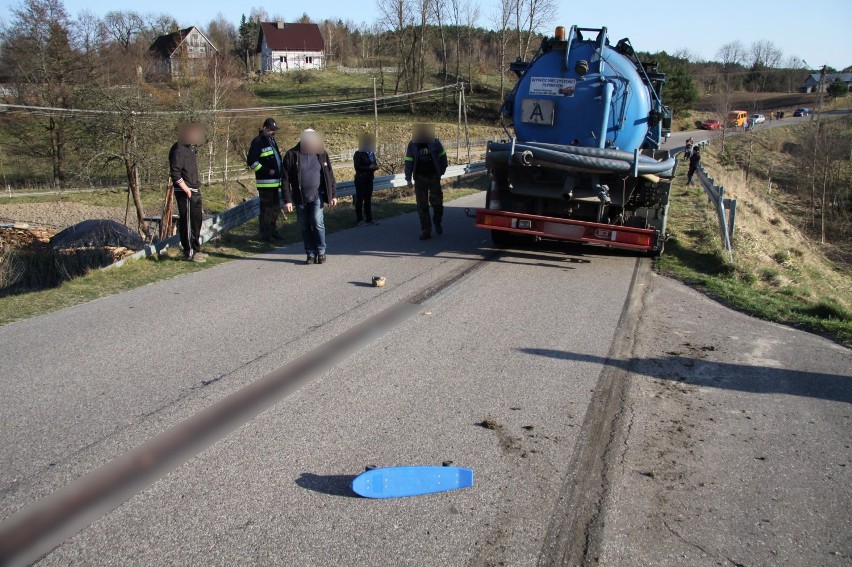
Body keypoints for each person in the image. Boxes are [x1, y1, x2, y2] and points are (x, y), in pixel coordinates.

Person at [281, 129, 338, 265]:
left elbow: (329, 175)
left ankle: (321, 251)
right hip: (299, 197)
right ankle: (310, 254)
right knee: (305, 225)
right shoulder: (291, 155)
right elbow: (284, 179)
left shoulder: (321, 154)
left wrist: (333, 195)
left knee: (317, 222)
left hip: (317, 195)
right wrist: (287, 200)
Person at [168, 123, 206, 262]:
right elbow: (175, 173)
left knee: (197, 221)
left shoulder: (189, 149)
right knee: (188, 222)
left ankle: (197, 249)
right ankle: (189, 252)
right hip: (185, 191)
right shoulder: (177, 149)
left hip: (194, 189)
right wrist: (186, 189)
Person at [404, 124, 448, 240]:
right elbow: (408, 161)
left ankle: (437, 221)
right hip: (419, 178)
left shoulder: (435, 142)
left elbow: (443, 157)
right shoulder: (412, 145)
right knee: (422, 206)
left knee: (437, 203)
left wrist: (441, 172)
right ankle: (426, 231)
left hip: (433, 177)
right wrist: (408, 178)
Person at [246, 117, 283, 241]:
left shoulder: (271, 140)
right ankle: (265, 234)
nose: (274, 132)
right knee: (267, 210)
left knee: (275, 208)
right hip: (265, 183)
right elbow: (252, 161)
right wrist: (267, 170)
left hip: (275, 182)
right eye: (272, 130)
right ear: (265, 128)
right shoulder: (258, 141)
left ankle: (273, 230)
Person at [353, 133, 379, 226]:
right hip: (360, 179)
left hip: (369, 179)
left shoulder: (371, 153)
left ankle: (369, 219)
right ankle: (359, 220)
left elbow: (374, 163)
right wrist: (369, 167)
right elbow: (357, 166)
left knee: (368, 199)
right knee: (360, 200)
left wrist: (375, 167)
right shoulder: (358, 154)